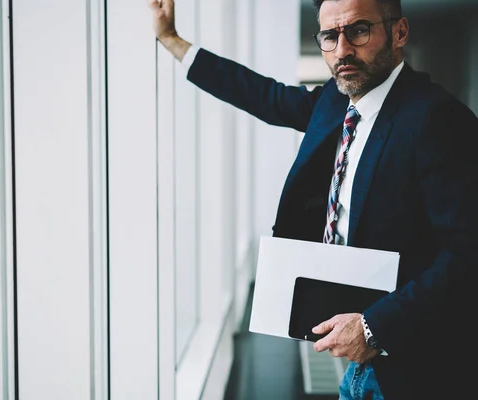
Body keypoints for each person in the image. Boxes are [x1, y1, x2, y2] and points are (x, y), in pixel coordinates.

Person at [149, 0, 478, 399]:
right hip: (360, 358)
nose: (342, 50)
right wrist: (172, 40)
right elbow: (263, 96)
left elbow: (467, 254)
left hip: (417, 366)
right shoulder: (335, 102)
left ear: (399, 33)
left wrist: (376, 328)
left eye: (358, 31)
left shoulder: (439, 119)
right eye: (329, 36)